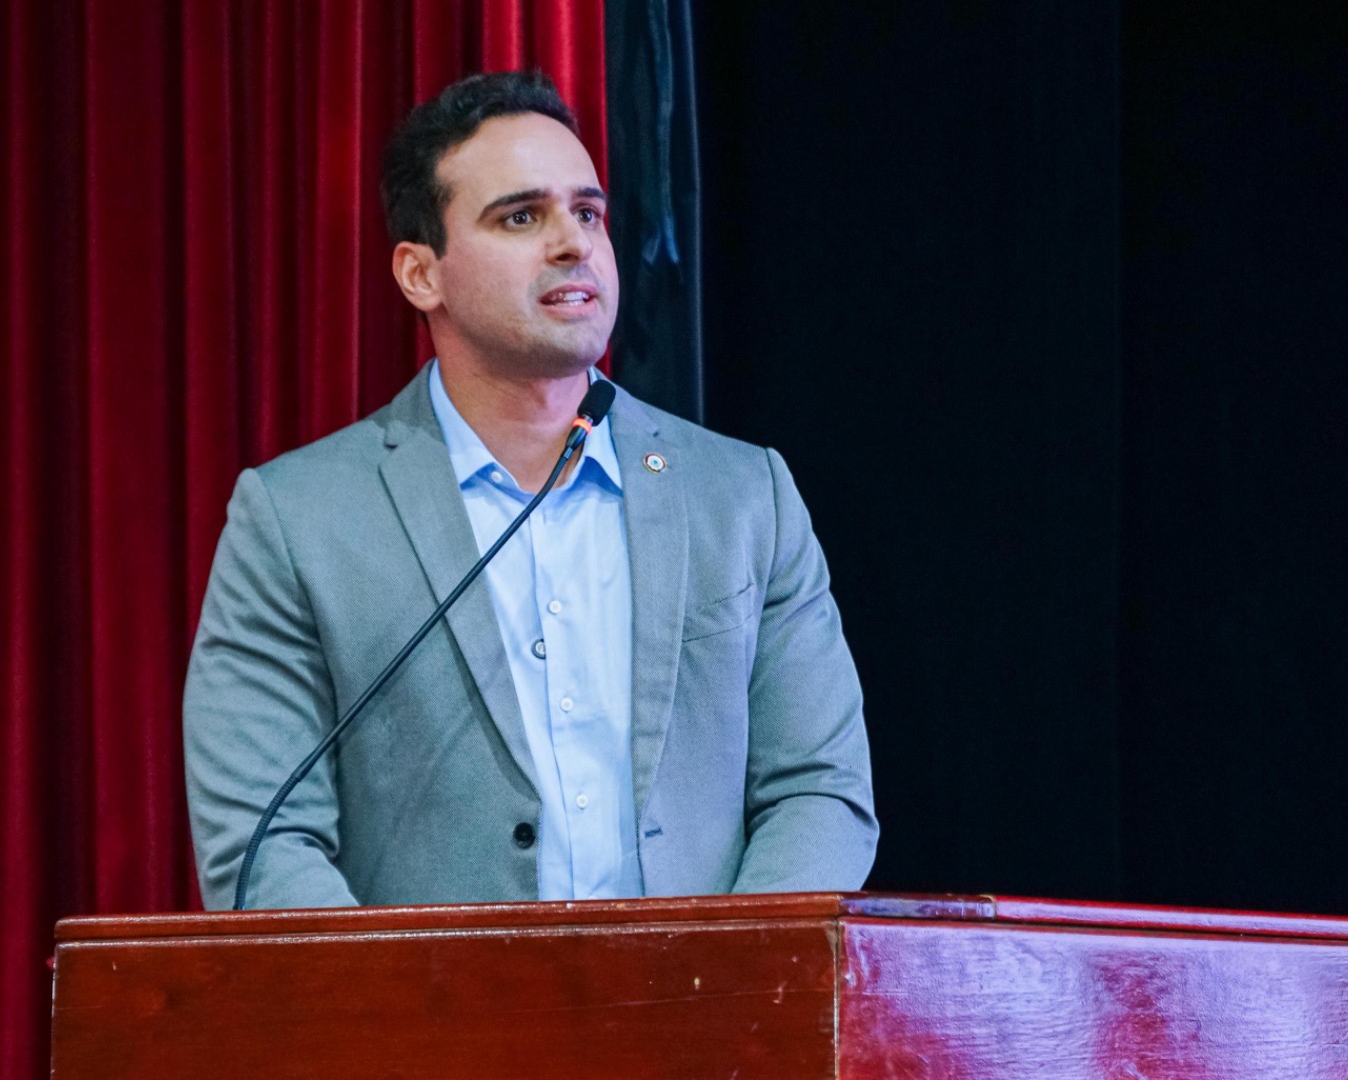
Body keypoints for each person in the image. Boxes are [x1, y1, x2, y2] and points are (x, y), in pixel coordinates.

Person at [184, 70, 877, 910]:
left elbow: (818, 789)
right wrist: (411, 998)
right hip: (423, 998)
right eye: (521, 216)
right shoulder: (299, 520)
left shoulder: (742, 497)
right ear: (420, 274)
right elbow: (263, 841)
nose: (572, 244)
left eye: (587, 213)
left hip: (709, 992)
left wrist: (732, 976)